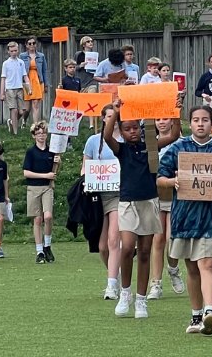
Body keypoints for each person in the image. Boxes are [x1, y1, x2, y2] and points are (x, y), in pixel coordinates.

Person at [157, 104, 212, 336]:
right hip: (185, 218)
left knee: (209, 263)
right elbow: (160, 177)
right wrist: (171, 183)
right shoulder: (178, 148)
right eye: (196, 120)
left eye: (205, 120)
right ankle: (196, 315)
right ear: (190, 123)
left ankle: (209, 311)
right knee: (192, 267)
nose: (200, 124)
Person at [104, 97, 179, 319]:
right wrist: (116, 112)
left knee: (145, 252)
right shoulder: (122, 150)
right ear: (122, 131)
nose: (133, 132)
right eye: (127, 129)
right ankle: (125, 293)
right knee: (127, 248)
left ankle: (141, 300)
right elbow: (106, 136)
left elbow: (174, 135)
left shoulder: (151, 146)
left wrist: (175, 108)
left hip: (149, 202)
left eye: (135, 127)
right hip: (127, 203)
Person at [82, 102, 124, 298]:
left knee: (114, 239)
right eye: (107, 116)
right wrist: (87, 180)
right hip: (99, 195)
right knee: (102, 246)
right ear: (102, 118)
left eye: (114, 116)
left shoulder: (125, 139)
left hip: (119, 193)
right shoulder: (93, 141)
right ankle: (117, 275)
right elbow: (85, 167)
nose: (111, 120)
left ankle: (112, 285)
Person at [148, 114, 187, 299]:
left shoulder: (182, 142)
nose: (161, 121)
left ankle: (173, 268)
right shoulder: (150, 143)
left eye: (165, 118)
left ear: (172, 121)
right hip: (156, 196)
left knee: (173, 238)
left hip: (176, 196)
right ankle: (156, 283)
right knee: (158, 239)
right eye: (158, 119)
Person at [23, 119, 59, 263]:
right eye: (38, 133)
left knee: (48, 216)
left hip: (47, 188)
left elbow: (54, 174)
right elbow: (26, 172)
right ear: (34, 135)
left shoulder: (51, 151)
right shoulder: (31, 152)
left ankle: (47, 245)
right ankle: (39, 251)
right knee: (37, 219)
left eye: (43, 133)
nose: (41, 136)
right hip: (33, 188)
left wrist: (57, 164)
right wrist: (45, 175)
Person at [0, 42, 27, 135]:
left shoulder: (21, 62)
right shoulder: (6, 63)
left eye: (15, 50)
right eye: (12, 51)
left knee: (22, 111)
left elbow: (25, 76)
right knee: (14, 109)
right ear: (8, 52)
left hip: (19, 88)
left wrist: (29, 86)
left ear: (18, 50)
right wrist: (2, 93)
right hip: (10, 88)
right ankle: (15, 132)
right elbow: (3, 78)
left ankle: (12, 121)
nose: (14, 53)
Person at [21, 38, 48, 123]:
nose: (32, 45)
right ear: (26, 45)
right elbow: (20, 69)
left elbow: (44, 70)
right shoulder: (22, 56)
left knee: (36, 104)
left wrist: (46, 84)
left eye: (34, 43)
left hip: (38, 80)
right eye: (29, 43)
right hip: (27, 80)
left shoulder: (41, 56)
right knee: (27, 107)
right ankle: (24, 120)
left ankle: (35, 125)